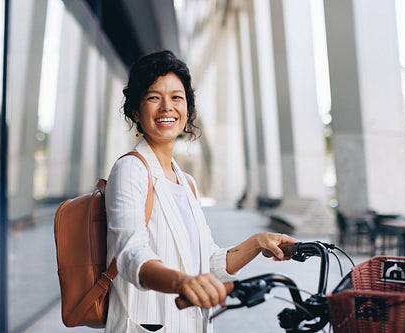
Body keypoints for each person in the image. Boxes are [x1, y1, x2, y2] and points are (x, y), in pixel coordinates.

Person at [104, 50, 297, 332]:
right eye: (153, 97)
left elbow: (209, 262)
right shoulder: (131, 169)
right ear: (136, 110)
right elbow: (130, 255)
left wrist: (257, 242)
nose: (166, 107)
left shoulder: (186, 182)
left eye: (176, 97)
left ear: (187, 109)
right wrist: (183, 282)